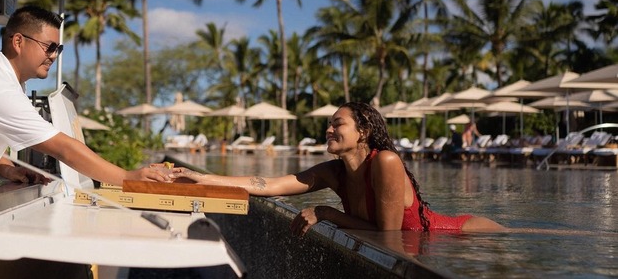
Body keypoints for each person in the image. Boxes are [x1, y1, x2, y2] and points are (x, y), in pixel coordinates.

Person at [172, 102, 505, 235]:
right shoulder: (335, 172)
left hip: (460, 234)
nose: (329, 130)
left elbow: (389, 236)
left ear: (363, 131)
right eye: (328, 125)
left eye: (337, 124)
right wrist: (202, 177)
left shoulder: (385, 162)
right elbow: (269, 183)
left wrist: (326, 213)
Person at [0, 5, 169, 186]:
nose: (53, 56)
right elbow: (64, 149)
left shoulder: (1, 79)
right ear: (18, 42)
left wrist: (8, 169)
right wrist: (127, 177)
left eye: (58, 49)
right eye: (49, 47)